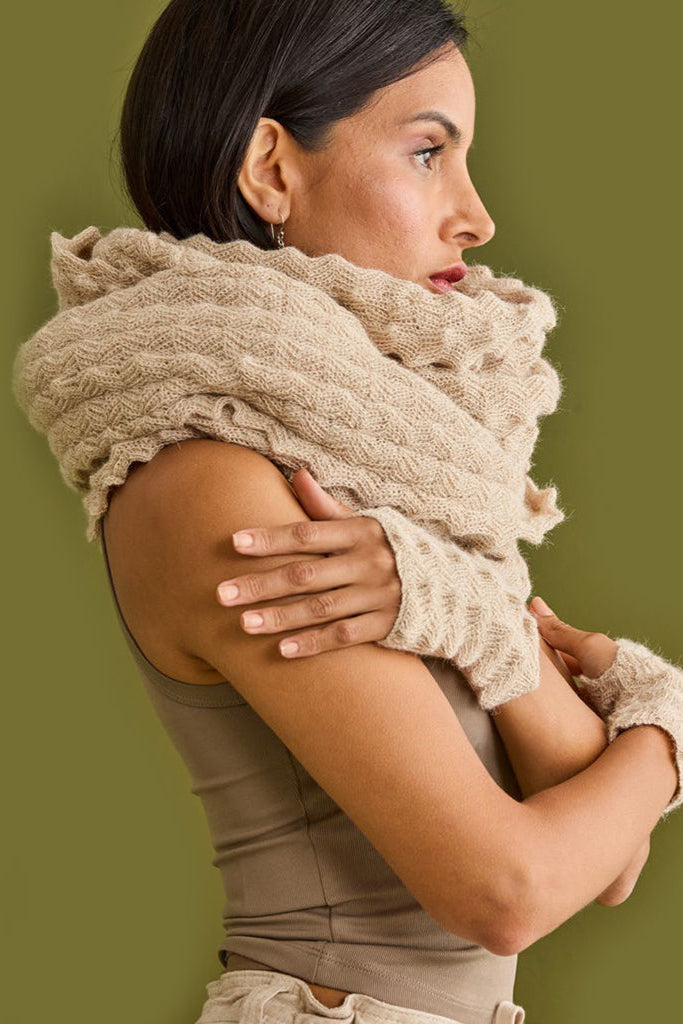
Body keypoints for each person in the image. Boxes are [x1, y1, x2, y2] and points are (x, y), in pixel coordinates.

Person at [22, 2, 681, 1023]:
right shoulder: (215, 479)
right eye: (427, 152)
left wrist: (462, 601)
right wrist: (670, 730)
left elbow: (609, 857)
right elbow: (505, 890)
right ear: (271, 169)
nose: (474, 214)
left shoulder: (386, 469)